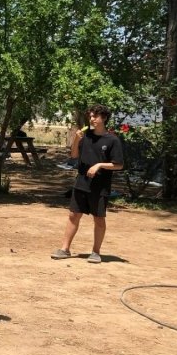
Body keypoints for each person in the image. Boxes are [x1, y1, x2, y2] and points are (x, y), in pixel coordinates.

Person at [51, 104, 124, 264]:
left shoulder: (112, 140)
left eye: (95, 116)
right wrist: (76, 139)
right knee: (73, 215)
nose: (91, 119)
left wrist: (99, 165)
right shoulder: (86, 137)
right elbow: (74, 155)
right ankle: (65, 249)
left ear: (104, 118)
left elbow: (118, 165)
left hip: (100, 187)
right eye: (90, 116)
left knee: (98, 219)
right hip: (81, 183)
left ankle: (96, 252)